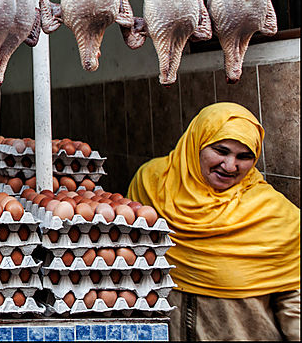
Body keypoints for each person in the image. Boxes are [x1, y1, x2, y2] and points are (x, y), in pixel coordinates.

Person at [128, 102, 300, 341]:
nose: (230, 166)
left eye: (244, 156)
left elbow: (294, 301)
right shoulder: (152, 185)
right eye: (221, 151)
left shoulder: (276, 215)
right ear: (196, 143)